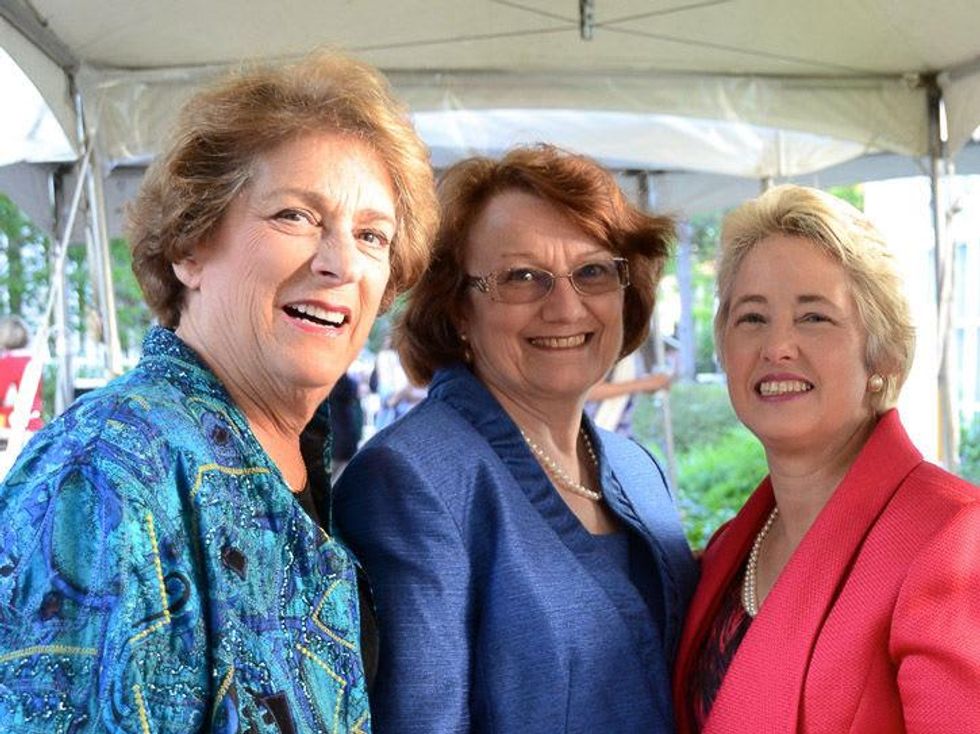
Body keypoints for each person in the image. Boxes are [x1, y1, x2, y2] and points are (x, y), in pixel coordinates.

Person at [0, 51, 437, 732]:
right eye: (296, 216)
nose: (341, 263)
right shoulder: (107, 472)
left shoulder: (294, 456)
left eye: (372, 235)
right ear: (190, 247)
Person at [334, 145, 698, 733]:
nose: (566, 306)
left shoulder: (637, 470)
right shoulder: (409, 481)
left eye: (594, 271)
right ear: (457, 309)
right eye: (522, 278)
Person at [673, 185, 980, 733]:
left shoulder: (954, 538)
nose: (777, 346)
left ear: (881, 354)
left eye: (814, 317)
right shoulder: (727, 550)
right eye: (751, 318)